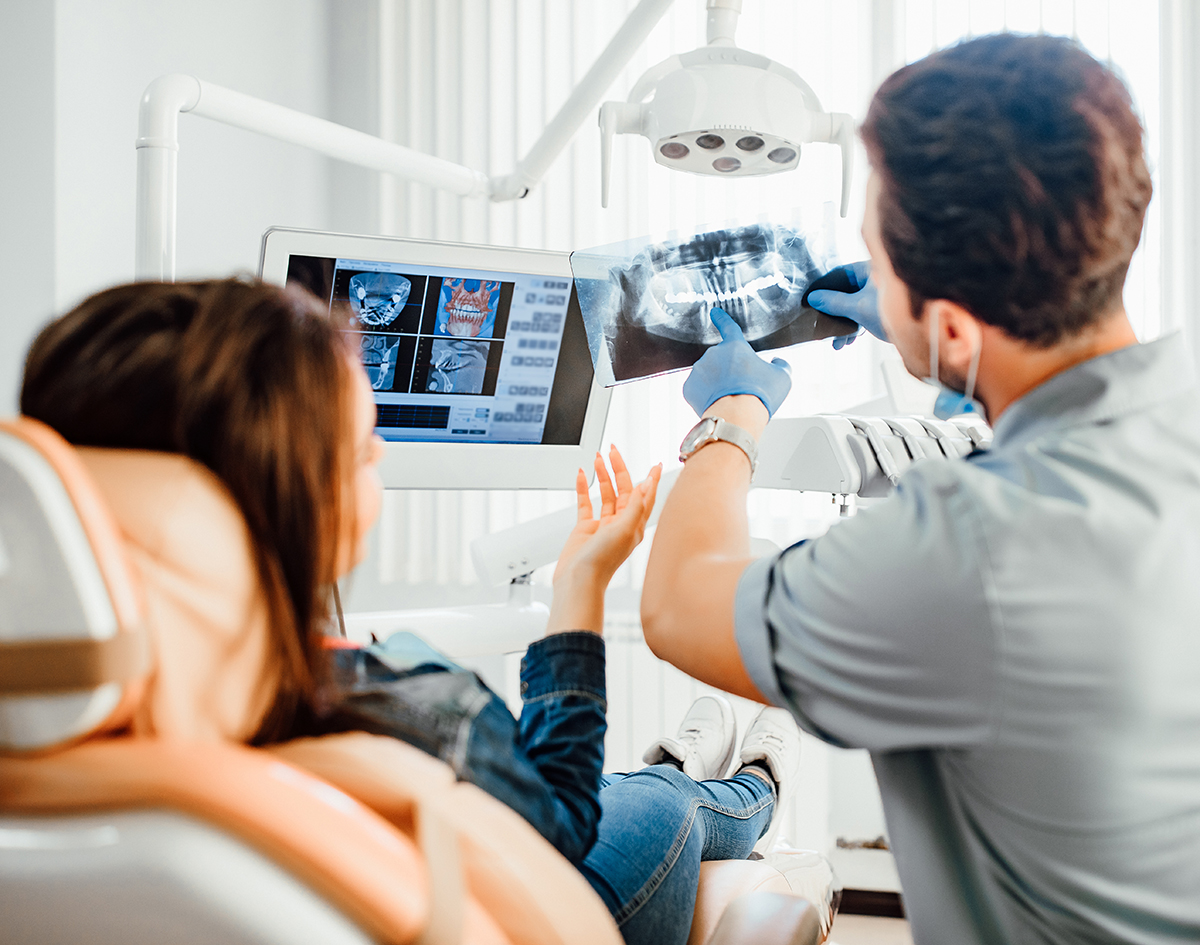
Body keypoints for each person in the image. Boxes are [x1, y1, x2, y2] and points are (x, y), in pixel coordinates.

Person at [18, 277, 804, 945]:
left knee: (636, 784)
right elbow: (564, 817)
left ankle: (692, 759)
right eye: (363, 447)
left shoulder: (51, 739)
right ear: (293, 500)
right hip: (555, 884)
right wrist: (584, 583)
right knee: (655, 801)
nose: (383, 454)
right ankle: (755, 784)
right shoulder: (413, 718)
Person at [640, 33, 1200, 944]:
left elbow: (675, 604)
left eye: (878, 254)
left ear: (949, 322)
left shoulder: (969, 550)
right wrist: (956, 361)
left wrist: (731, 419)